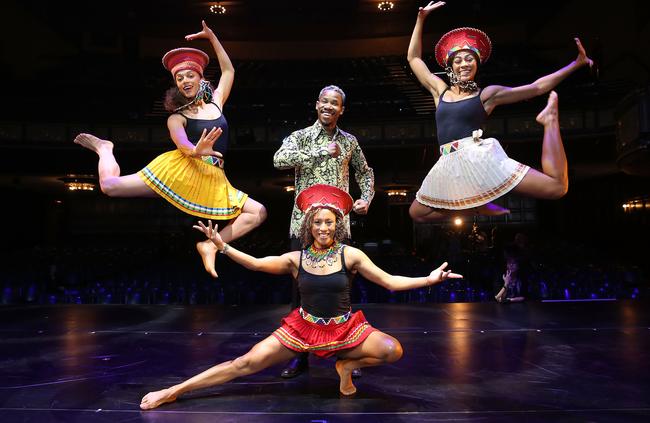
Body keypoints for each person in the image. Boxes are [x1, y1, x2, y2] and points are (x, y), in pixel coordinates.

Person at [139, 184, 462, 410]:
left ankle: (346, 366)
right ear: (310, 225)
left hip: (344, 329)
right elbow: (254, 263)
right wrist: (222, 246)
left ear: (338, 225)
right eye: (318, 222)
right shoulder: (296, 259)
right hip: (302, 328)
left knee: (392, 350)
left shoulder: (351, 255)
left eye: (329, 222)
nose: (323, 227)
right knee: (245, 363)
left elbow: (390, 281)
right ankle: (174, 390)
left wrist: (430, 279)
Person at [73, 21, 266, 277]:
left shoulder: (217, 103)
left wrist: (212, 38)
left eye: (189, 75)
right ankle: (105, 149)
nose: (185, 80)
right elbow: (183, 145)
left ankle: (210, 244)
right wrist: (197, 150)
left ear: (200, 78)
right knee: (109, 186)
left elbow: (229, 70)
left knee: (258, 212)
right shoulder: (177, 117)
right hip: (179, 170)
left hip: (211, 178)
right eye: (179, 77)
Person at [407, 1, 593, 223]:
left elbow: (536, 88)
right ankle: (477, 207)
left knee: (556, 188)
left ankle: (549, 120)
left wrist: (575, 64)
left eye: (469, 59)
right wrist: (421, 18)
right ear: (451, 67)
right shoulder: (440, 91)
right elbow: (414, 59)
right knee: (417, 213)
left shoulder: (486, 95)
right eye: (458, 60)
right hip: (448, 162)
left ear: (476, 65)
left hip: (478, 159)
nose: (464, 64)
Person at [273, 85, 375, 378]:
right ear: (317, 105)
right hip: (304, 224)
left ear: (341, 110)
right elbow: (279, 160)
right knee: (300, 292)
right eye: (325, 102)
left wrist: (366, 198)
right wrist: (318, 151)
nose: (329, 107)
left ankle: (346, 355)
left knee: (340, 293)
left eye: (336, 103)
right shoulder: (301, 137)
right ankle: (299, 356)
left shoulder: (350, 142)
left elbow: (365, 172)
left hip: (338, 226)